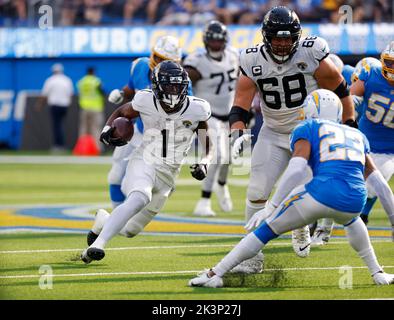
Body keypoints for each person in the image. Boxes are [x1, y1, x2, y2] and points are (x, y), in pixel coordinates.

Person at [189, 89, 394, 288]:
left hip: (320, 194)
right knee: (352, 220)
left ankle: (214, 274)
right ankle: (377, 272)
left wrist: (272, 205)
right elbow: (380, 185)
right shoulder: (356, 135)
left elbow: (296, 169)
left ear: (311, 110)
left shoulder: (309, 127)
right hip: (353, 199)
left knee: (265, 230)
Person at [226, 6, 357, 273]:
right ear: (266, 36)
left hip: (309, 133)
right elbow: (240, 103)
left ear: (297, 36)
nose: (283, 43)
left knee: (305, 189)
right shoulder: (252, 60)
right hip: (273, 132)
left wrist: (350, 123)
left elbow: (341, 89)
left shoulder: (311, 53)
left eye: (288, 38)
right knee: (256, 193)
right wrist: (237, 131)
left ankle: (300, 227)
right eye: (278, 38)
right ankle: (252, 259)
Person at [81, 61, 212, 263]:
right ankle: (98, 244)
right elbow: (121, 112)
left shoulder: (197, 108)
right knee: (139, 197)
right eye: (168, 85)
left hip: (169, 175)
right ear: (157, 86)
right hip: (145, 159)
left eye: (177, 85)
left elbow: (207, 143)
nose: (173, 90)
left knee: (130, 230)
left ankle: (103, 221)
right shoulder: (145, 99)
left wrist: (205, 162)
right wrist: (107, 129)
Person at [106, 36, 184, 209]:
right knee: (116, 175)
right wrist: (122, 92)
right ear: (153, 55)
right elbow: (133, 87)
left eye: (167, 61)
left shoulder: (181, 82)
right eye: (159, 59)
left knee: (142, 185)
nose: (161, 65)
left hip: (161, 139)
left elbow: (188, 114)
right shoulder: (140, 66)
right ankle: (115, 217)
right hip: (139, 130)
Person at [183, 20, 240, 217]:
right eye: (213, 40)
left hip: (231, 114)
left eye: (219, 40)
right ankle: (204, 200)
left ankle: (222, 185)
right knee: (218, 156)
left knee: (230, 159)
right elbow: (185, 82)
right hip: (208, 116)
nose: (216, 44)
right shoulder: (196, 60)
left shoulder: (234, 55)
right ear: (206, 41)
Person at [36, 63, 74, 152]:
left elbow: (44, 94)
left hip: (55, 105)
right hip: (65, 105)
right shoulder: (67, 80)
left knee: (57, 125)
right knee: (61, 125)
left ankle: (58, 145)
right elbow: (71, 94)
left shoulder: (50, 80)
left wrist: (39, 105)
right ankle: (61, 144)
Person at [77, 67, 105, 149]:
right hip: (96, 107)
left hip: (84, 107)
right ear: (93, 72)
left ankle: (82, 148)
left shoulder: (82, 81)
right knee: (96, 128)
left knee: (83, 129)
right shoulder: (96, 81)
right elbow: (102, 91)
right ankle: (97, 148)